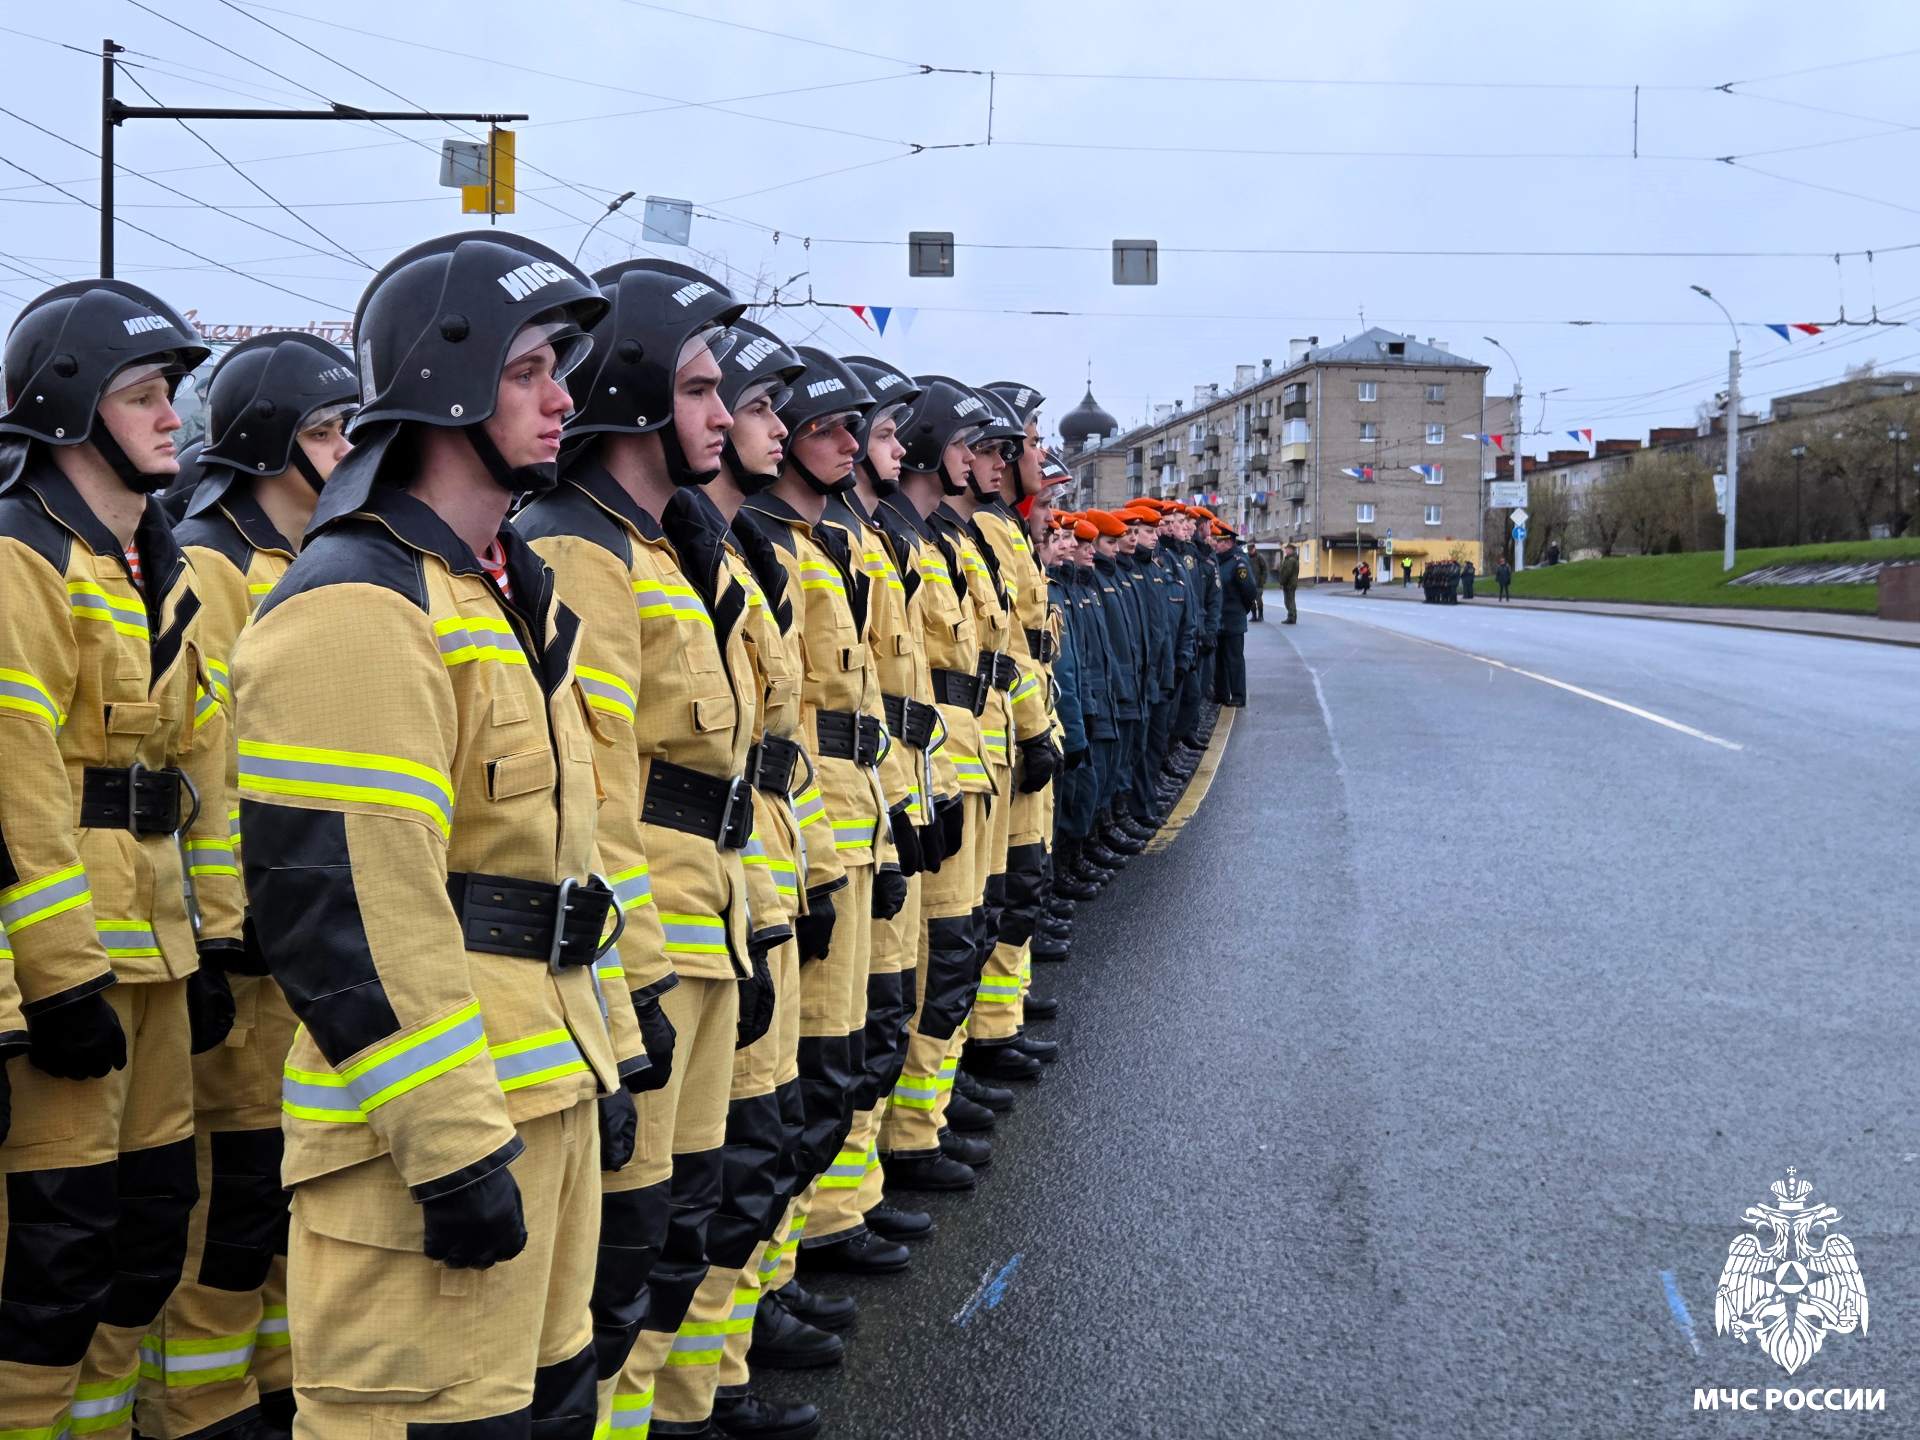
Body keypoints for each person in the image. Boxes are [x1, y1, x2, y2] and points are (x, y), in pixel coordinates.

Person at [233, 231, 640, 1438]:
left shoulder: (492, 585)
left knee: (551, 1409)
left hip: (544, 1102)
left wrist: (606, 1048)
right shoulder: (360, 600)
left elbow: (569, 864)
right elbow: (351, 916)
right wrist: (455, 1151)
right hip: (431, 1151)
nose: (564, 397)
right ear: (444, 383)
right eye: (527, 371)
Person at [512, 257, 769, 1438]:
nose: (724, 414)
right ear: (631, 388)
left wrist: (751, 917)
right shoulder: (582, 547)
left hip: (705, 918)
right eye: (705, 389)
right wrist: (641, 981)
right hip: (649, 945)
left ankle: (668, 1412)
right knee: (623, 1250)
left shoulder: (657, 540)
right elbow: (597, 801)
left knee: (687, 1208)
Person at [0, 278, 243, 1440]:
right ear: (70, 410)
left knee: (145, 1238)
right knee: (52, 1259)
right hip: (69, 967)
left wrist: (215, 941)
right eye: (144, 395)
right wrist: (55, 981)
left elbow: (203, 777)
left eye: (171, 396)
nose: (168, 419)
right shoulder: (21, 558)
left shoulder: (159, 565)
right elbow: (16, 786)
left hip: (154, 954)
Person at [142, 332, 356, 1440]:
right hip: (244, 950)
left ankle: (271, 1382)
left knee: (284, 1188)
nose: (343, 448)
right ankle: (198, 1405)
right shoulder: (214, 564)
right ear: (268, 438)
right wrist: (225, 934)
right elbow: (207, 769)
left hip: (306, 942)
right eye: (323, 430)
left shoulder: (306, 555)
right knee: (227, 1199)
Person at [1215, 526, 1259, 705]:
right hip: (1218, 619)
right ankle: (1221, 694)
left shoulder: (1239, 562)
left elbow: (1249, 590)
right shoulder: (1218, 560)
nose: (1216, 545)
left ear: (1229, 543)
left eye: (1220, 542)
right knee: (1219, 660)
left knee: (1234, 659)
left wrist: (1243, 610)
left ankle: (1239, 696)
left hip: (1233, 618)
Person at [1278, 542, 1300, 625]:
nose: (1286, 551)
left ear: (1291, 550)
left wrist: (1282, 581)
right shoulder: (1288, 558)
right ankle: (1291, 616)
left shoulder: (1291, 560)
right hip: (1289, 583)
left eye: (1287, 549)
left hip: (1289, 583)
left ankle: (1292, 617)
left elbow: (1287, 572)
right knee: (1289, 600)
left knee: (1289, 601)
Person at [1248, 544, 1268, 621]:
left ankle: (1261, 615)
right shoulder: (1247, 557)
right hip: (1250, 583)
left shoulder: (1259, 557)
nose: (1250, 551)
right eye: (1249, 550)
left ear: (1254, 549)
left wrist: (1262, 581)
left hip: (1258, 582)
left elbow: (1265, 570)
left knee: (1258, 600)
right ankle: (1254, 616)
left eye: (1251, 550)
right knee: (1251, 600)